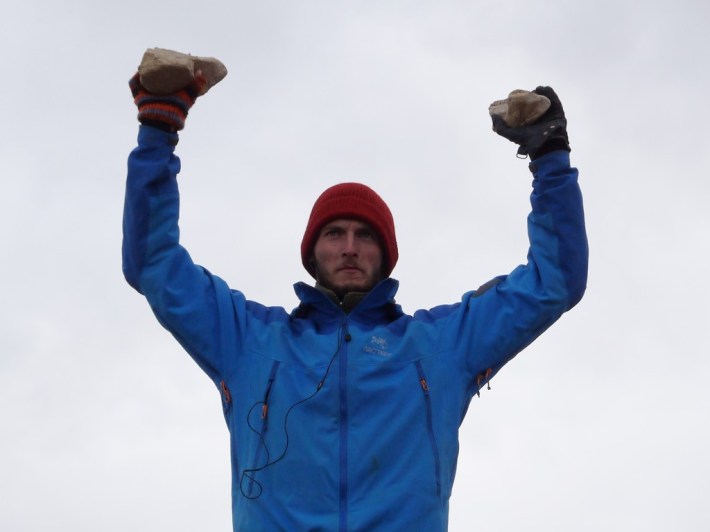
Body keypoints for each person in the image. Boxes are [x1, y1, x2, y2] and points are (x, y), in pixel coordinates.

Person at [123, 68, 588, 531]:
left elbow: (555, 281)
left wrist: (549, 156)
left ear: (386, 255)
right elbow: (154, 264)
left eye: (365, 235)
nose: (349, 247)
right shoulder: (249, 341)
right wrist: (158, 128)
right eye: (334, 233)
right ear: (312, 252)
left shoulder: (441, 346)